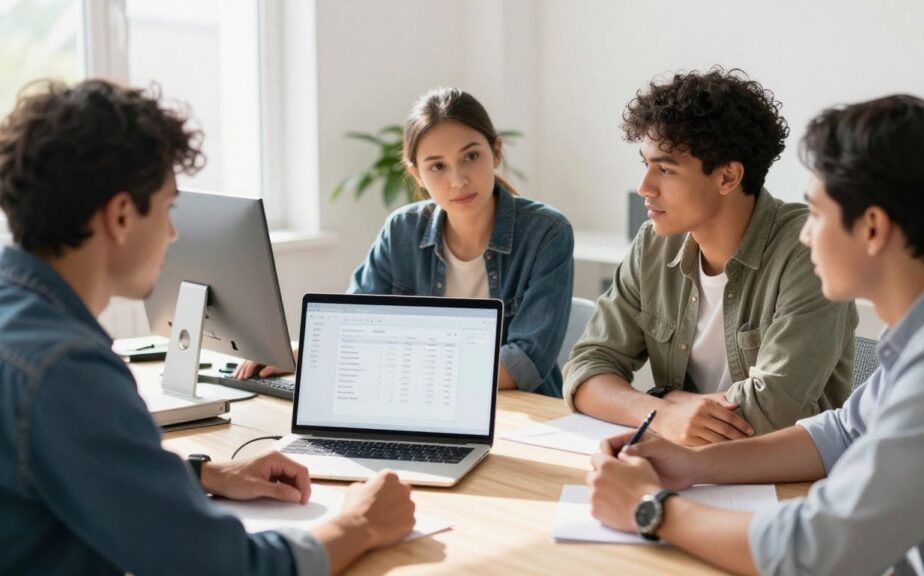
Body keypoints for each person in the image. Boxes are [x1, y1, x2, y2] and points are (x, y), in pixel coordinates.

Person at [588, 94, 924, 575]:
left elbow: (822, 549)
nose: (805, 235)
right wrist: (691, 466)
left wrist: (652, 508)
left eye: (817, 214)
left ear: (873, 229)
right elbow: (842, 431)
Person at [0, 79, 414, 576]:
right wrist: (360, 524)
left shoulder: (23, 326)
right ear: (121, 215)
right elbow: (225, 567)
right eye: (170, 208)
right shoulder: (69, 371)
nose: (174, 233)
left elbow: (65, 468)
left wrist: (202, 474)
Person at [563, 68, 856, 445]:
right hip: (685, 464)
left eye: (665, 169)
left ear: (728, 177)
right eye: (645, 165)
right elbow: (585, 370)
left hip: (784, 483)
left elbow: (774, 412)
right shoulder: (653, 245)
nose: (644, 188)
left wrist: (661, 402)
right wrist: (661, 412)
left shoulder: (807, 252)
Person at [238, 87, 574, 398]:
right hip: (418, 404)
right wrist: (301, 355)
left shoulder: (546, 233)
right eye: (437, 166)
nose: (457, 180)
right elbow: (356, 327)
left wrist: (407, 368)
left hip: (521, 418)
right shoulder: (402, 230)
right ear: (417, 175)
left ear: (496, 151)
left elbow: (523, 364)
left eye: (470, 157)